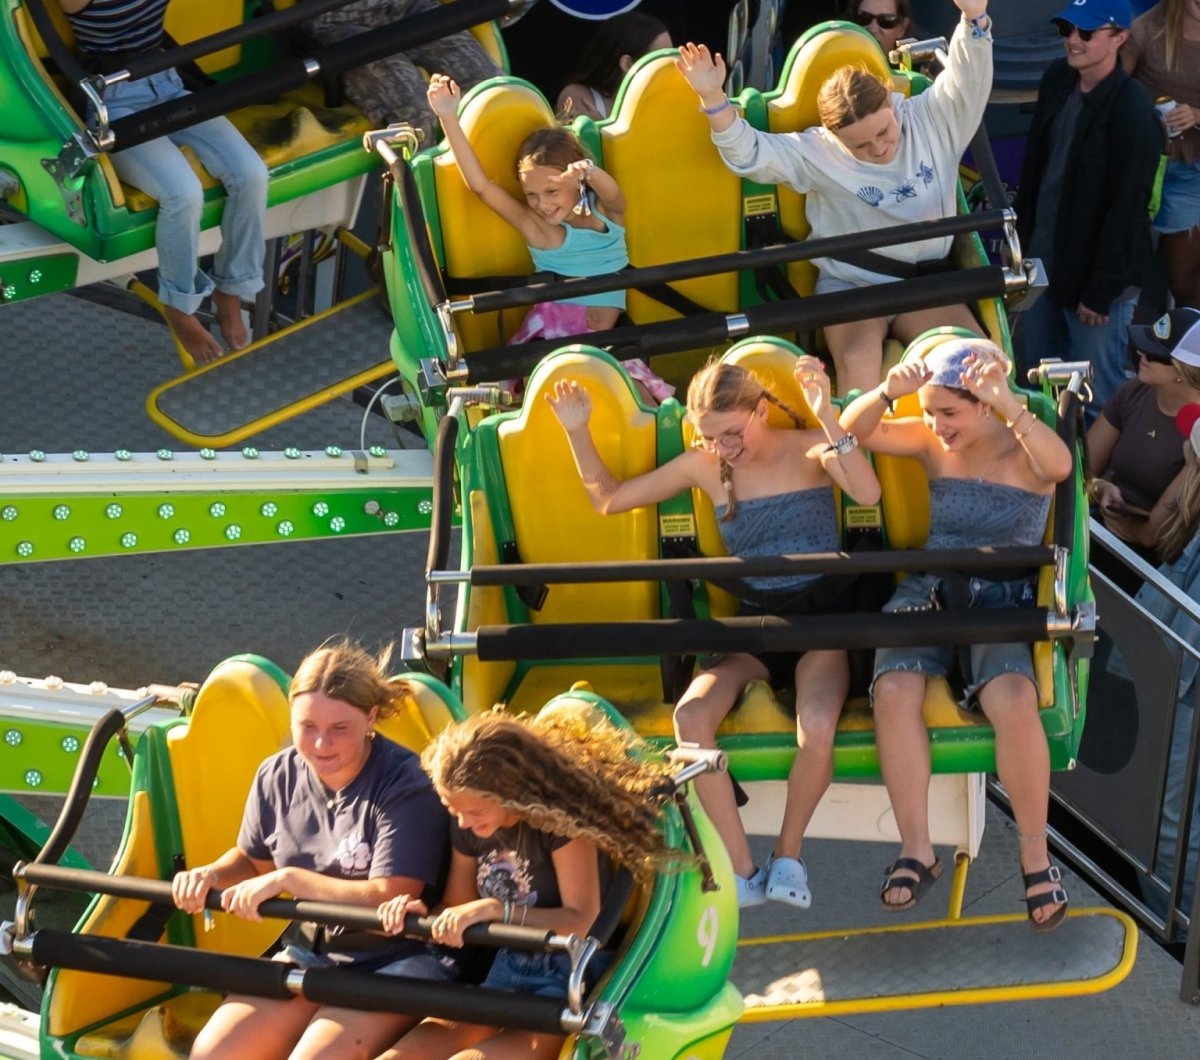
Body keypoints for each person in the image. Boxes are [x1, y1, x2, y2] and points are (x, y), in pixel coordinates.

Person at [546, 355, 880, 908]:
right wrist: (577, 431)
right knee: (690, 716)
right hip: (752, 627)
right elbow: (609, 498)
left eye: (732, 433)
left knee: (817, 722)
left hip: (819, 623)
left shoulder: (808, 448)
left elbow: (867, 494)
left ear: (760, 409)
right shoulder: (706, 466)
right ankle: (742, 869)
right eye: (712, 438)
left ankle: (789, 856)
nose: (724, 449)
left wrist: (827, 416)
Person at [840, 338, 1075, 929]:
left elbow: (1060, 467)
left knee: (1015, 699)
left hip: (1002, 594)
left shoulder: (1025, 444)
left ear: (986, 404)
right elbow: (856, 429)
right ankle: (917, 847)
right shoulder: (929, 440)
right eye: (929, 412)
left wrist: (1011, 403)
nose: (936, 426)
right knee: (893, 688)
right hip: (933, 588)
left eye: (950, 413)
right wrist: (888, 391)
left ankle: (1034, 854)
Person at [675, 0, 992, 397]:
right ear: (835, 136)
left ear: (892, 103)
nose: (879, 148)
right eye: (861, 144)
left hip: (924, 285)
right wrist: (712, 98)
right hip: (853, 285)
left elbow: (969, 81)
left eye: (884, 131)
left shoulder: (928, 117)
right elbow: (751, 153)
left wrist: (974, 19)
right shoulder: (819, 151)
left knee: (976, 364)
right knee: (859, 368)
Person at [170, 640, 452, 1058]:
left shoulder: (405, 785)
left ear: (371, 718)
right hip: (312, 951)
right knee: (215, 1051)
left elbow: (390, 901)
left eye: (339, 728)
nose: (321, 744)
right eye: (307, 727)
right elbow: (251, 860)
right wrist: (209, 876)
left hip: (396, 957)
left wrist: (288, 880)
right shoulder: (276, 776)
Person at [375, 706, 670, 1060]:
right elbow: (457, 903)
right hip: (506, 969)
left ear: (511, 792)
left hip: (565, 981)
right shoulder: (469, 827)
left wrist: (496, 910)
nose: (465, 823)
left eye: (476, 813)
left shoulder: (558, 824)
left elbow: (582, 920)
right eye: (454, 812)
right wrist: (416, 916)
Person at [426, 73, 672, 401]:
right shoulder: (539, 229)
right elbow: (481, 186)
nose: (542, 204)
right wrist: (447, 117)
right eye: (532, 195)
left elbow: (615, 196)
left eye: (551, 191)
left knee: (639, 398)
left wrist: (590, 171)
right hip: (553, 345)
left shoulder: (606, 216)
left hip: (608, 344)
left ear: (576, 179)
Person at [61, 0, 268, 365]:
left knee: (252, 174)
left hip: (168, 83)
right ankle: (178, 304)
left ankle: (232, 289)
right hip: (116, 103)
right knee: (182, 195)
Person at [1013, 0, 1163, 422]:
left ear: (1120, 38)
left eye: (1086, 32)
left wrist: (1100, 291)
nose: (1072, 40)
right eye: (1066, 28)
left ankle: (1098, 486)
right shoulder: (1057, 79)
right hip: (1041, 266)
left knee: (1097, 403)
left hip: (1097, 291)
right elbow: (1034, 171)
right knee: (1035, 385)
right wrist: (1021, 250)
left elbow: (1128, 211)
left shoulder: (1135, 111)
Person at [303, 0, 500, 145]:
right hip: (334, 20)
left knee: (493, 92)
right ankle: (420, 197)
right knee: (417, 118)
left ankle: (506, 192)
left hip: (409, 7)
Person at [1087, 307, 1200, 556]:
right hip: (1099, 528)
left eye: (1155, 353)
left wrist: (1121, 529)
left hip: (1154, 562)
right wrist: (1099, 489)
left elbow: (1154, 535)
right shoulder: (1133, 391)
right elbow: (1082, 470)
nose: (1141, 353)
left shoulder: (1198, 431)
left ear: (1183, 371)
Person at [1124, 0, 1200, 308]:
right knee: (1126, 278)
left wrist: (1197, 114)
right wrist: (1145, 116)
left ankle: (1188, 353)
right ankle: (1134, 352)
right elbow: (1108, 92)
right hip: (1141, 168)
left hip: (1190, 171)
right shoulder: (1144, 29)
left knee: (1184, 282)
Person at [555, 11, 673, 120]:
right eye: (659, 59)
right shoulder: (579, 95)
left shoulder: (668, 99)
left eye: (672, 57)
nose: (671, 67)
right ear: (627, 64)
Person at [841, 0, 912, 57]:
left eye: (885, 20)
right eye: (864, 17)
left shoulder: (915, 72)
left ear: (901, 28)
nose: (873, 29)